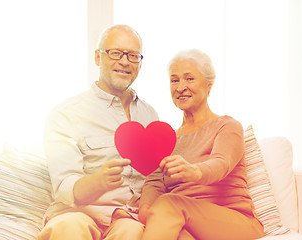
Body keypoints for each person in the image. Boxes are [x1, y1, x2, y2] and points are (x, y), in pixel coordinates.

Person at [38, 25, 158, 240]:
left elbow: (154, 180)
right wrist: (99, 181)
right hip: (79, 214)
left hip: (128, 220)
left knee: (132, 233)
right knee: (68, 227)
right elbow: (64, 187)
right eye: (115, 53)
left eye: (132, 56)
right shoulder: (66, 114)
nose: (124, 62)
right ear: (97, 57)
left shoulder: (150, 115)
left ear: (140, 63)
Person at [138, 49, 264, 240]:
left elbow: (221, 163)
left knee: (168, 204)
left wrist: (194, 171)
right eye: (174, 80)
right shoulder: (167, 138)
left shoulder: (227, 126)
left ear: (209, 85)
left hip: (234, 221)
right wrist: (145, 208)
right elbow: (154, 181)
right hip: (182, 219)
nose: (180, 87)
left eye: (189, 79)